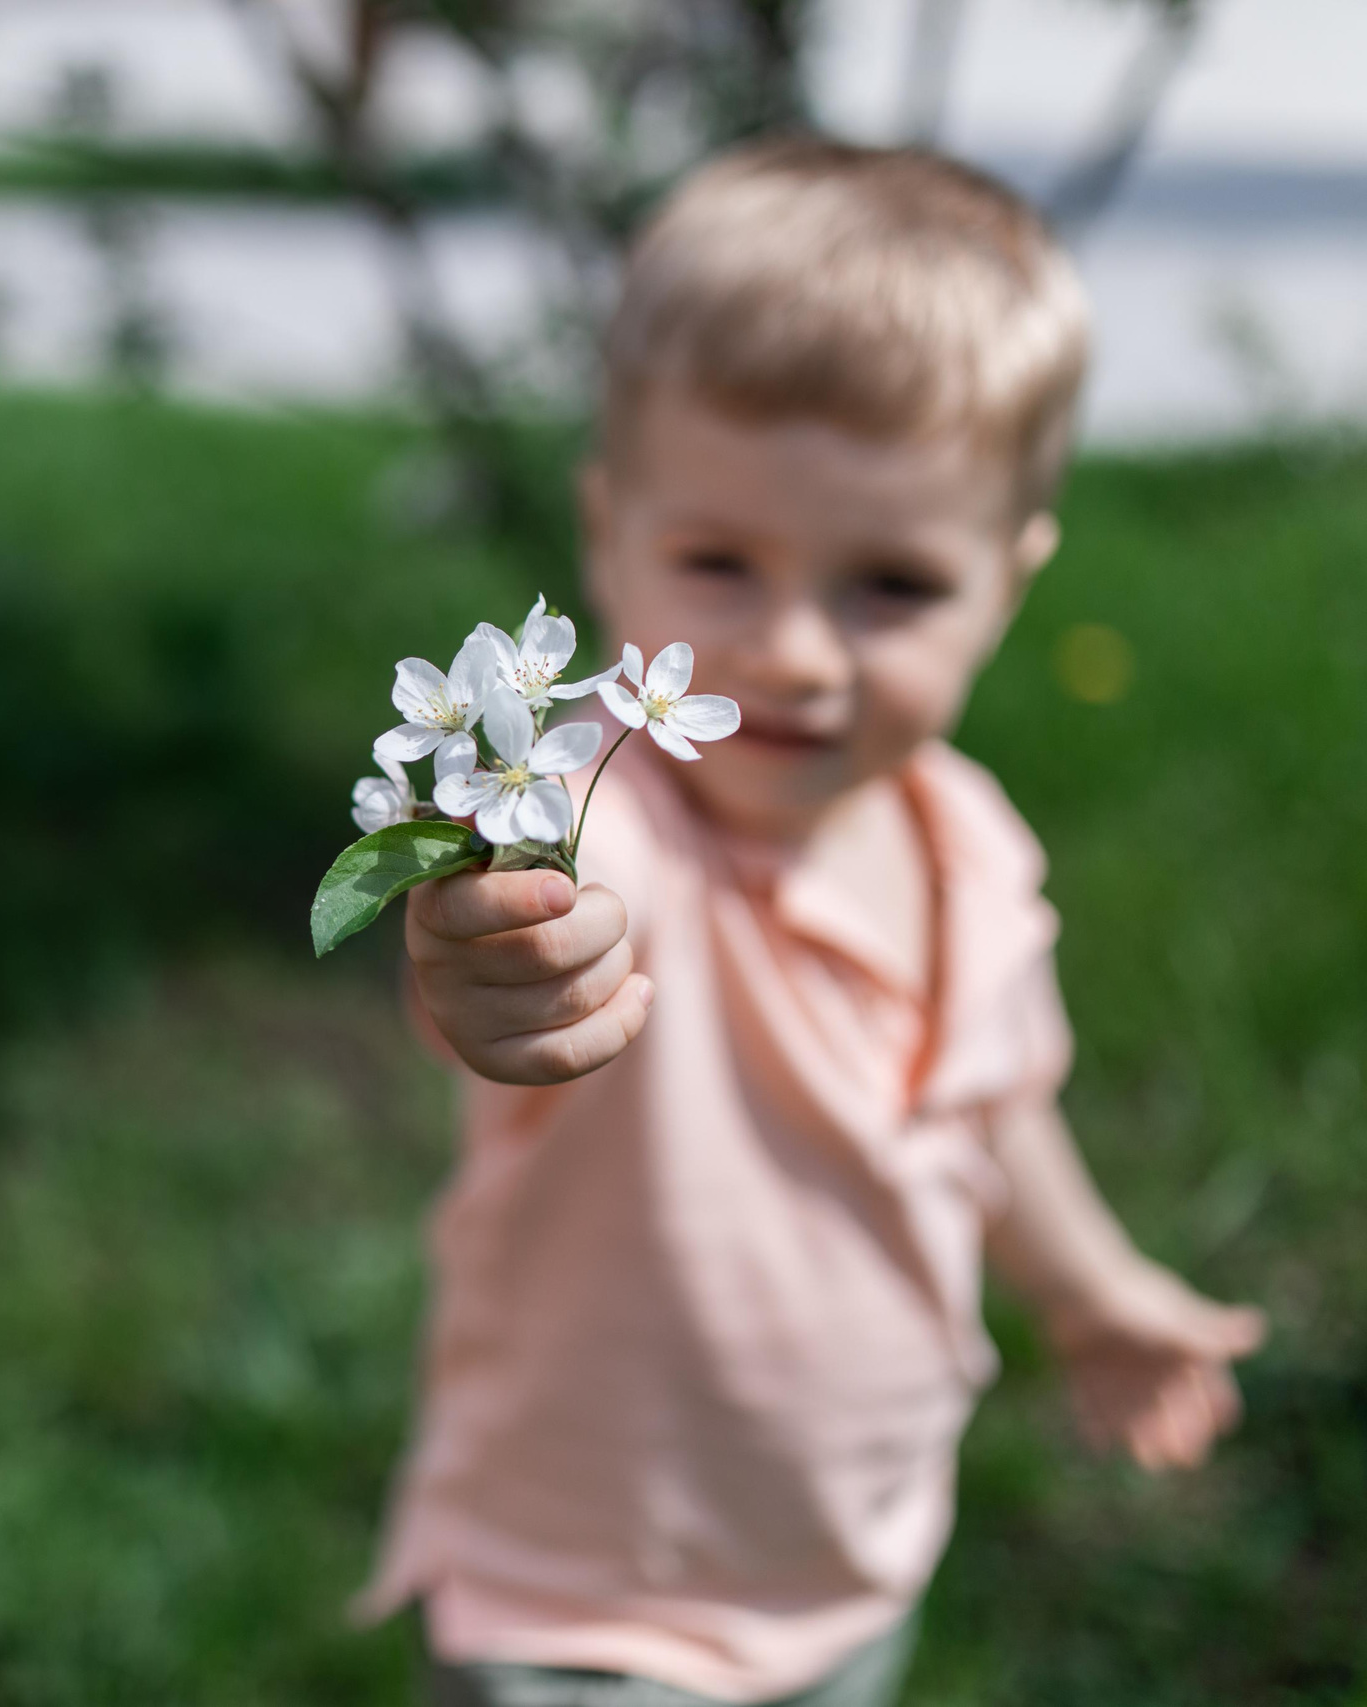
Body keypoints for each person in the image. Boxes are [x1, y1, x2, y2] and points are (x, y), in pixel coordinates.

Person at [360, 139, 1267, 1707]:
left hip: (848, 1556)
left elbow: (997, 1110)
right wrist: (487, 959)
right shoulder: (599, 815)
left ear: (1012, 579)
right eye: (719, 563)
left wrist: (1088, 1287)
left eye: (892, 587)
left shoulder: (969, 846)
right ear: (608, 532)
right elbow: (510, 957)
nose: (789, 653)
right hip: (595, 1599)